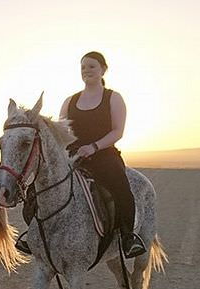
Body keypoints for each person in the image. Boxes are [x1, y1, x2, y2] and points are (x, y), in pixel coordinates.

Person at [61, 51, 146, 258]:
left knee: (122, 188)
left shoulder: (113, 98)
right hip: (73, 155)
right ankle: (33, 234)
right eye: (83, 67)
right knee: (44, 181)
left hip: (103, 154)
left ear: (103, 70)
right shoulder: (70, 101)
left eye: (91, 66)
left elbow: (118, 131)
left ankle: (128, 237)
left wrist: (93, 147)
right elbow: (62, 132)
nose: (86, 70)